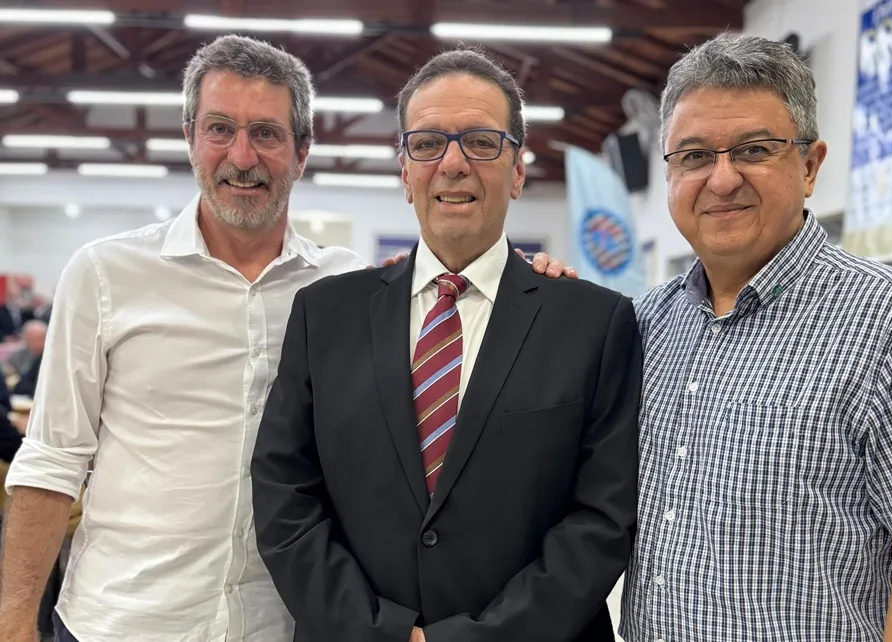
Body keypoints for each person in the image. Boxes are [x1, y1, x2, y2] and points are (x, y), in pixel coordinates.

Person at [0, 35, 569, 642]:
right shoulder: (105, 275)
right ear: (191, 137)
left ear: (301, 152)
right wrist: (13, 624)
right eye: (220, 129)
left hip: (283, 623)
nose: (242, 156)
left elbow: (450, 288)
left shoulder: (347, 289)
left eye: (267, 134)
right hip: (124, 621)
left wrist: (523, 283)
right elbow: (52, 460)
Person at [251, 49, 642, 642]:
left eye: (482, 142)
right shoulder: (324, 315)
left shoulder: (595, 322)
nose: (453, 164)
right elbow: (284, 493)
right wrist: (379, 632)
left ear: (517, 171)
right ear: (405, 172)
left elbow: (602, 519)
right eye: (428, 143)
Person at [613, 34, 892, 641]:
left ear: (809, 166)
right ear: (668, 172)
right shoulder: (645, 324)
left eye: (754, 150)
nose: (722, 179)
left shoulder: (890, 320)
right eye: (694, 156)